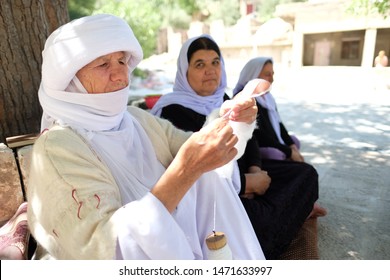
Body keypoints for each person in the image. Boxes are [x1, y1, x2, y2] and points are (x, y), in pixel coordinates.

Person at [26, 14, 264, 260]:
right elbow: (103, 249)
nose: (121, 75)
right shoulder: (58, 147)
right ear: (70, 79)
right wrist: (185, 170)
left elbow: (202, 152)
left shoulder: (136, 120)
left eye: (121, 61)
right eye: (103, 64)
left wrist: (233, 123)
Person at [150, 35, 321, 259]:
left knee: (305, 174)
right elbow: (193, 166)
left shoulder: (225, 97)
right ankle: (280, 222)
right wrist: (246, 184)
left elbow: (252, 140)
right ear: (184, 71)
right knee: (248, 222)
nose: (210, 70)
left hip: (243, 175)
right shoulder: (172, 110)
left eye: (215, 62)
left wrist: (255, 169)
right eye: (199, 64)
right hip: (209, 194)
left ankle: (282, 212)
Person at [232, 56, 327, 218]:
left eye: (272, 73)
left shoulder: (266, 97)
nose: (272, 79)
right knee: (280, 155)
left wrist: (290, 146)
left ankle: (305, 199)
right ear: (253, 75)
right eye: (267, 74)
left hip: (269, 144)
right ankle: (301, 200)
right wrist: (288, 152)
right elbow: (259, 135)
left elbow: (279, 125)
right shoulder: (244, 99)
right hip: (259, 150)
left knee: (295, 142)